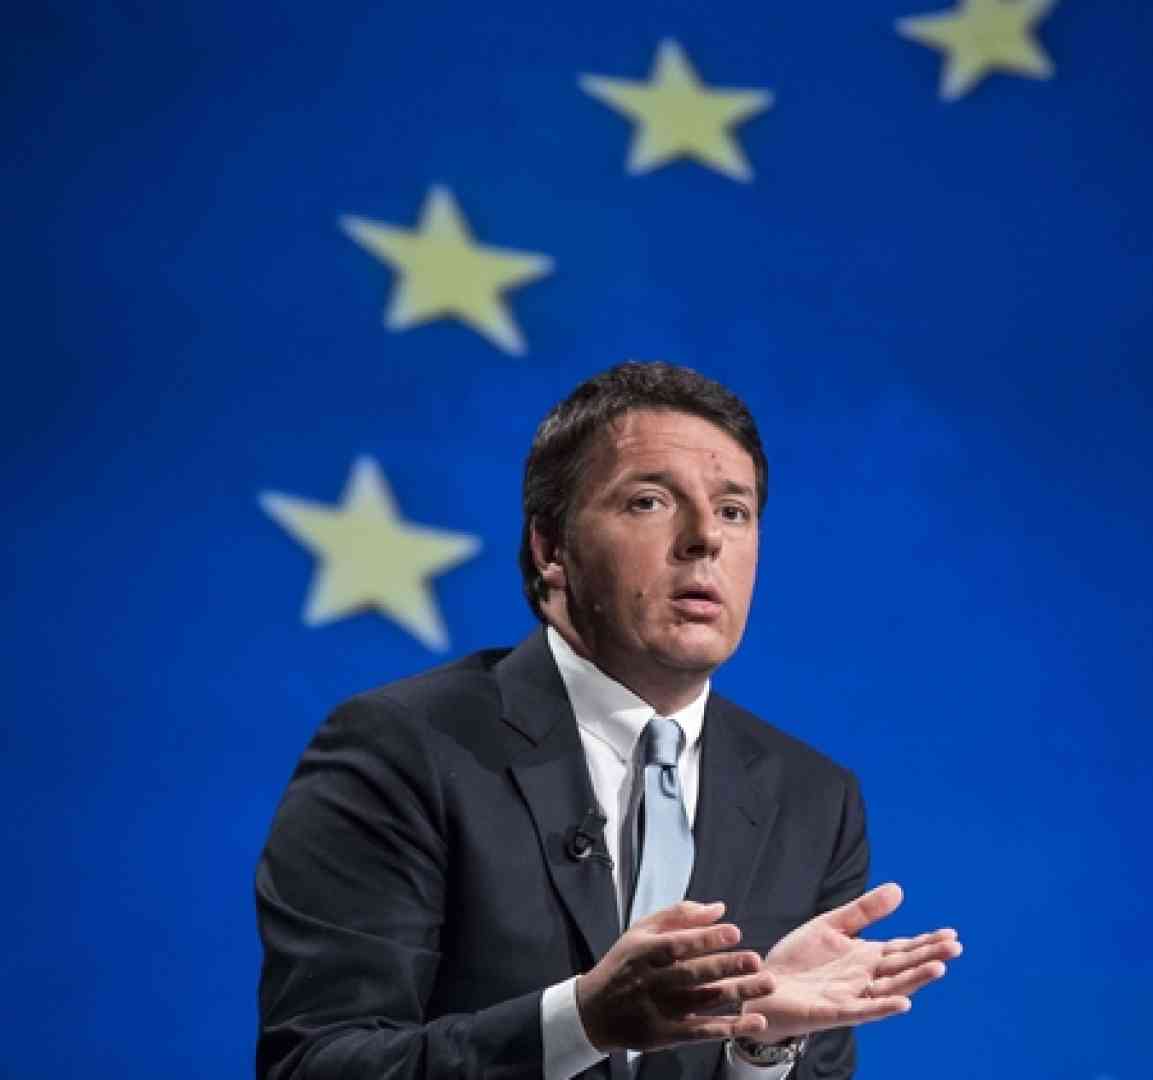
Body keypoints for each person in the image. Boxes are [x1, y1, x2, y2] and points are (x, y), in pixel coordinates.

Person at [256, 362, 962, 1079]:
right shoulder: (404, 748)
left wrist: (763, 1049)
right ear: (550, 548)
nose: (705, 539)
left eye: (733, 511)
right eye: (650, 502)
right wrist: (582, 1022)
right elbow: (316, 1064)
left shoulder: (813, 799)